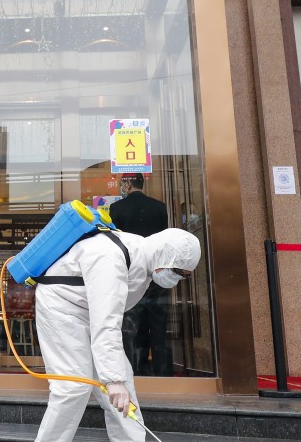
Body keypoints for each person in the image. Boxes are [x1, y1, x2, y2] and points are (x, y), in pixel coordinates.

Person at [33, 227, 200, 442]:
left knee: (124, 385)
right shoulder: (111, 257)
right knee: (74, 387)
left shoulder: (143, 263)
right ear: (165, 258)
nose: (177, 280)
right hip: (61, 308)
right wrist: (112, 380)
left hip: (87, 313)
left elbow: (106, 318)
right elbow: (106, 322)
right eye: (179, 273)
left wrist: (116, 380)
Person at [109, 174, 173, 376]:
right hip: (156, 273)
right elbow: (163, 241)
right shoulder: (159, 207)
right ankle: (162, 372)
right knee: (158, 323)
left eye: (123, 183)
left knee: (130, 325)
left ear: (128, 184)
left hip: (130, 274)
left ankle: (133, 370)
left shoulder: (116, 208)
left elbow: (114, 244)